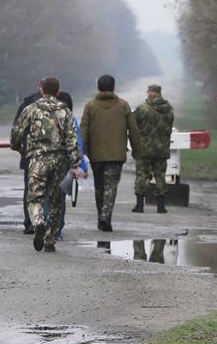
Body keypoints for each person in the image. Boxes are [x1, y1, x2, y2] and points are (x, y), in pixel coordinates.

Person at [10, 77, 81, 253]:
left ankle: (38, 222)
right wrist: (75, 162)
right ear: (58, 92)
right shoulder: (65, 111)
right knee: (56, 200)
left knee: (34, 197)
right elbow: (72, 139)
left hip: (37, 160)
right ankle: (50, 240)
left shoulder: (31, 109)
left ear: (41, 90)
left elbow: (17, 133)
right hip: (59, 162)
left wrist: (18, 147)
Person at [80, 74, 142, 232]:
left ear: (98, 87)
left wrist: (82, 152)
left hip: (96, 155)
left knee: (99, 187)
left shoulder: (90, 106)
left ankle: (101, 215)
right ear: (113, 87)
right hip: (116, 154)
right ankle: (105, 216)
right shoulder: (123, 106)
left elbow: (83, 131)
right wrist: (137, 151)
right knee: (111, 186)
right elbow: (133, 130)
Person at [51, 91, 89, 239]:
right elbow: (77, 145)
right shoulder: (71, 120)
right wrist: (82, 167)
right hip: (65, 164)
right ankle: (57, 230)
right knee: (60, 197)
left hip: (44, 162)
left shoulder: (44, 116)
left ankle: (46, 224)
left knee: (46, 195)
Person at [132, 84, 175, 214]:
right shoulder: (169, 109)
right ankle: (161, 206)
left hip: (144, 148)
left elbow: (134, 126)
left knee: (141, 175)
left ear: (151, 93)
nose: (147, 94)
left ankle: (139, 205)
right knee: (160, 176)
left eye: (148, 92)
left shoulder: (142, 109)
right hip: (161, 149)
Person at [12, 87, 42, 234]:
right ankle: (48, 223)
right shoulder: (61, 107)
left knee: (31, 190)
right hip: (55, 158)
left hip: (30, 155)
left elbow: (17, 130)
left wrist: (18, 148)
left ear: (40, 88)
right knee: (52, 192)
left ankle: (30, 222)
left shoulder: (28, 105)